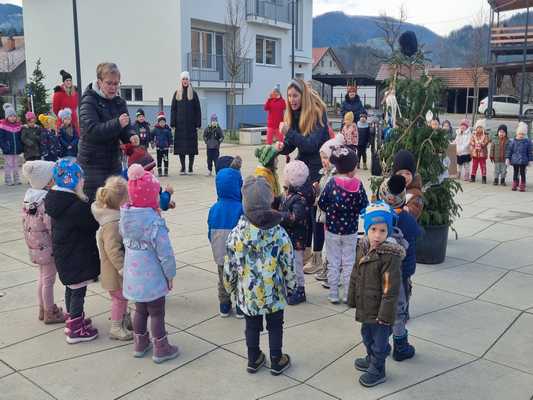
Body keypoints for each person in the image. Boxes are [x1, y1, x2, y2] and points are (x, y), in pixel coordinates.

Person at [223, 176, 295, 375]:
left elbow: (230, 265)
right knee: (275, 325)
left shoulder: (236, 234)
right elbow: (288, 263)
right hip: (274, 293)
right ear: (269, 200)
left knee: (252, 326)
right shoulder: (279, 233)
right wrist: (291, 286)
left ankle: (253, 358)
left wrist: (229, 288)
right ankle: (276, 358)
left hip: (249, 294)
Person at [120, 164, 179, 363]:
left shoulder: (125, 217)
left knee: (140, 309)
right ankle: (161, 347)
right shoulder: (154, 222)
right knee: (157, 312)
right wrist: (170, 274)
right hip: (152, 277)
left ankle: (140, 343)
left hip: (134, 277)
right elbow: (165, 254)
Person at [347, 201, 404, 387]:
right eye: (373, 230)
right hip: (366, 306)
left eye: (382, 230)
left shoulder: (389, 256)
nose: (377, 235)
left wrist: (385, 315)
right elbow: (355, 273)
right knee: (366, 335)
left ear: (389, 231)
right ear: (366, 229)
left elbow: (390, 288)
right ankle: (371, 358)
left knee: (379, 341)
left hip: (381, 311)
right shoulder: (363, 247)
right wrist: (352, 297)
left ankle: (378, 368)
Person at [44, 158, 100, 343]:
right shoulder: (76, 205)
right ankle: (75, 330)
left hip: (66, 254)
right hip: (77, 255)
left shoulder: (56, 200)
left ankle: (73, 319)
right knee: (78, 292)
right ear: (73, 181)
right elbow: (91, 225)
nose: (83, 181)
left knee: (71, 287)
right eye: (81, 178)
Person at [277, 79, 330, 269]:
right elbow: (293, 144)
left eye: (295, 95)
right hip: (303, 168)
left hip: (319, 167)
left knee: (316, 214)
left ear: (303, 95)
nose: (292, 99)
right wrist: (282, 147)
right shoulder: (294, 113)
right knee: (303, 212)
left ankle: (317, 257)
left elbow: (310, 145)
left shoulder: (317, 113)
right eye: (289, 96)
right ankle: (305, 251)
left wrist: (289, 132)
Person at [78, 62, 139, 201]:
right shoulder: (88, 101)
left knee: (115, 203)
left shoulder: (119, 102)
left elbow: (125, 127)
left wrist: (131, 136)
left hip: (113, 162)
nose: (113, 87)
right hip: (92, 164)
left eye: (116, 83)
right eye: (109, 83)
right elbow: (92, 130)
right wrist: (117, 123)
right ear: (99, 82)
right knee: (95, 204)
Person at [379, 175, 421, 362]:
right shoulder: (406, 219)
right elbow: (418, 233)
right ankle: (401, 346)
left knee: (381, 309)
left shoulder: (378, 217)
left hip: (380, 272)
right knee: (398, 311)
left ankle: (380, 345)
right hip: (400, 273)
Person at [318, 146, 368, 304]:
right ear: (351, 168)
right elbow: (364, 206)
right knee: (348, 262)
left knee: (333, 262)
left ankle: (333, 293)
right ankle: (347, 294)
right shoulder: (358, 185)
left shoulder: (332, 183)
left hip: (332, 230)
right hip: (350, 231)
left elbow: (322, 203)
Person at [22, 160, 65, 324]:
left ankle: (42, 308)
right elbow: (50, 225)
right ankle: (49, 312)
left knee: (42, 277)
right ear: (47, 182)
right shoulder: (45, 202)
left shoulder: (30, 199)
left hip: (35, 245)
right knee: (48, 280)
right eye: (53, 177)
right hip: (47, 247)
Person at [91, 176, 133, 341]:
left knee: (122, 297)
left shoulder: (112, 218)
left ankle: (123, 320)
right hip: (114, 271)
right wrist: (122, 267)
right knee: (119, 299)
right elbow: (112, 249)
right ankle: (116, 327)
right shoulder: (112, 223)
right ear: (121, 201)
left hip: (114, 270)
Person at [207, 158, 243, 318]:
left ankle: (224, 305)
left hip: (220, 250)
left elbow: (210, 229)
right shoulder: (241, 208)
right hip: (238, 251)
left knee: (223, 278)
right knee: (240, 277)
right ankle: (240, 306)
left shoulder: (214, 208)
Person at [280, 160, 315, 305]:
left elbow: (295, 217)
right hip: (288, 237)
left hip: (297, 239)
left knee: (296, 265)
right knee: (288, 264)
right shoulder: (288, 194)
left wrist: (279, 216)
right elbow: (281, 202)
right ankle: (290, 287)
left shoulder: (299, 199)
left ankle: (300, 290)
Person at [311, 136, 345, 282]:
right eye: (322, 158)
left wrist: (318, 199)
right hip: (326, 217)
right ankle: (327, 269)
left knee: (334, 246)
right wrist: (317, 189)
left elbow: (331, 197)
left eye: (326, 158)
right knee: (329, 245)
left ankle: (333, 274)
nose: (323, 161)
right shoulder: (325, 174)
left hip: (333, 217)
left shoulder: (336, 176)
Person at [170, 71, 201, 175]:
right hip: (180, 126)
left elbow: (198, 110)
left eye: (186, 79)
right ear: (181, 80)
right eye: (183, 79)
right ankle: (183, 167)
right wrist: (173, 123)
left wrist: (198, 124)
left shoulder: (194, 93)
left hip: (191, 126)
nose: (185, 81)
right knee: (181, 148)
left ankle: (190, 167)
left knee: (191, 148)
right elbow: (173, 109)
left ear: (189, 80)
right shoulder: (177, 93)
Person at [392, 150, 423, 220]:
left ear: (413, 175)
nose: (404, 177)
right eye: (400, 174)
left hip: (406, 224)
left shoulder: (415, 193)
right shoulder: (391, 188)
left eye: (407, 173)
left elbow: (416, 208)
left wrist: (408, 210)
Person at [506, 121, 533, 192]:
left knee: (522, 173)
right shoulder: (513, 142)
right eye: (520, 134)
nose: (521, 135)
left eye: (523, 134)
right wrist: (508, 158)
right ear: (517, 133)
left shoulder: (527, 142)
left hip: (523, 161)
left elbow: (529, 152)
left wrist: (530, 160)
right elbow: (509, 151)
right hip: (515, 160)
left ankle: (522, 185)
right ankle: (515, 183)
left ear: (525, 134)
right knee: (515, 173)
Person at [0, 103, 23, 185]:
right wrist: (4, 147)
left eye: (14, 116)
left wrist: (20, 146)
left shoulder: (18, 126)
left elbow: (20, 138)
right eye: (10, 116)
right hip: (8, 149)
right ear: (7, 117)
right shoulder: (3, 126)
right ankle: (8, 179)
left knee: (16, 165)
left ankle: (16, 178)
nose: (12, 118)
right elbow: (1, 138)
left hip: (16, 149)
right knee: (9, 165)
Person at [152, 112, 173, 177]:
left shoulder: (167, 130)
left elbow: (170, 138)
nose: (162, 123)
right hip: (158, 148)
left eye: (163, 122)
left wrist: (171, 145)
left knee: (166, 159)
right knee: (159, 160)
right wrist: (152, 142)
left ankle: (166, 171)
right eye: (160, 122)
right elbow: (151, 135)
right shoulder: (155, 129)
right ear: (158, 122)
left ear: (165, 122)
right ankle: (160, 171)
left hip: (165, 148)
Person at [470, 119, 490, 184]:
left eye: (481, 127)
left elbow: (487, 141)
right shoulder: (474, 135)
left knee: (483, 166)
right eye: (478, 127)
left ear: (483, 128)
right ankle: (473, 176)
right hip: (475, 153)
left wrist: (482, 144)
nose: (479, 129)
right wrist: (473, 143)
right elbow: (471, 141)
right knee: (474, 166)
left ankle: (484, 177)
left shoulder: (485, 136)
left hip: (482, 154)